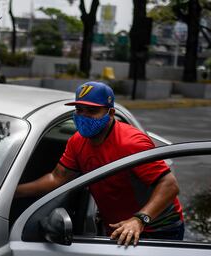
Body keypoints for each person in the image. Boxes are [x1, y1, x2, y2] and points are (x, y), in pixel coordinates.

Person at [15, 81, 184, 246]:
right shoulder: (77, 141)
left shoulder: (131, 143)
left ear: (110, 113)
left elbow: (169, 186)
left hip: (156, 227)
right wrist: (14, 192)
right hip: (118, 227)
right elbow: (57, 178)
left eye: (92, 110)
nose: (83, 116)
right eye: (79, 110)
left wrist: (140, 219)